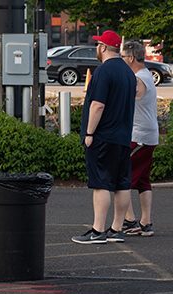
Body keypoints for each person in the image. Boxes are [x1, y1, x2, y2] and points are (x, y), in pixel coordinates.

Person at [71, 30, 137, 244]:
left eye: (98, 45)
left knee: (101, 183)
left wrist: (89, 132)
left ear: (103, 47)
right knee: (121, 184)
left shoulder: (103, 71)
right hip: (123, 136)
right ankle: (117, 229)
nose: (96, 48)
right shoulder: (128, 73)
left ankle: (98, 230)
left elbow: (97, 105)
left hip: (103, 136)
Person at [120, 40, 157, 237]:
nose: (121, 60)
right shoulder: (147, 74)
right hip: (149, 135)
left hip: (138, 135)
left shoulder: (138, 79)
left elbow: (135, 95)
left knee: (121, 177)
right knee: (143, 180)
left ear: (131, 58)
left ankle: (130, 221)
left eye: (123, 57)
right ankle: (146, 222)